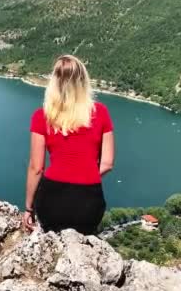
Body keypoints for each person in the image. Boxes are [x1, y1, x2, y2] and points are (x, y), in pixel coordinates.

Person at [23, 55, 115, 235]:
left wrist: (28, 208)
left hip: (52, 198)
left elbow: (36, 168)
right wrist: (85, 175)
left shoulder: (42, 116)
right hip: (89, 200)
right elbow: (107, 163)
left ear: (54, 83)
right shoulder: (101, 112)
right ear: (83, 81)